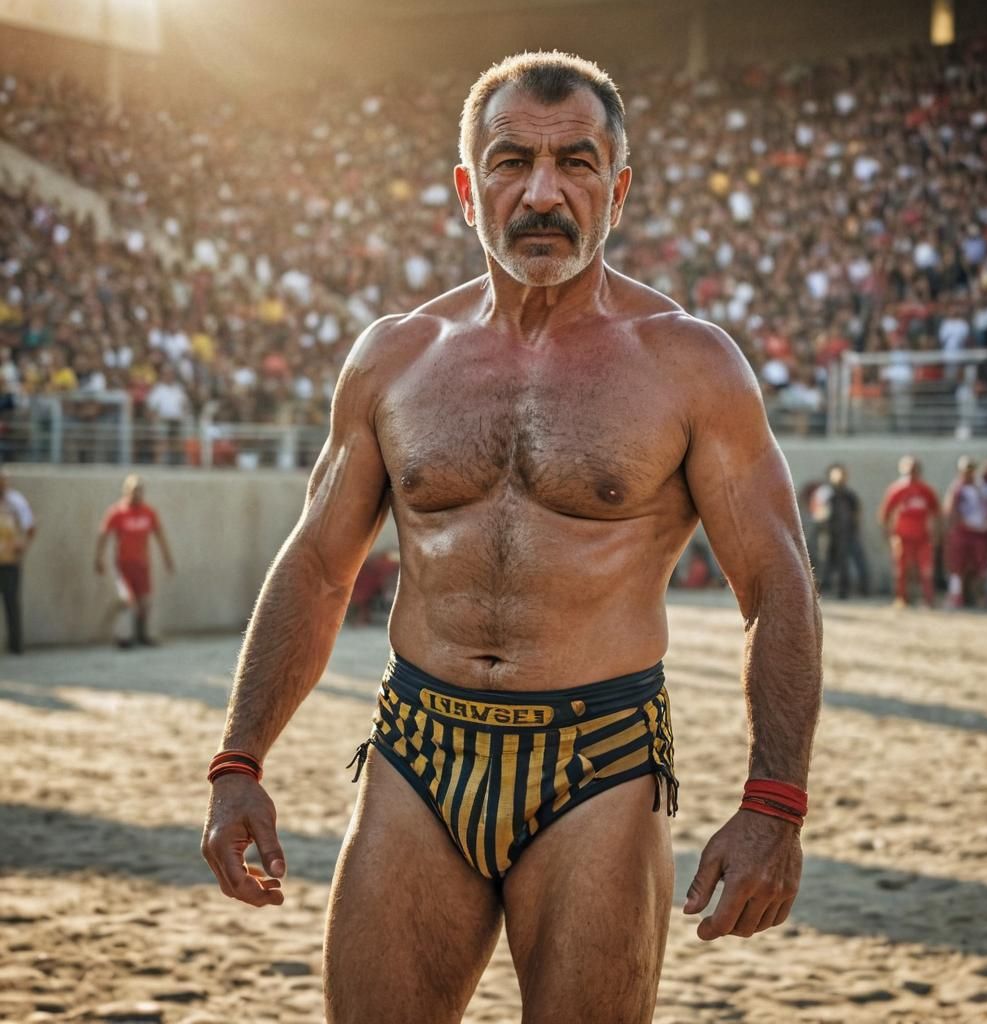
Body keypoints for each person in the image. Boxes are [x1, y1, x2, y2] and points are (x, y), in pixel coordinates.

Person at [201, 52, 823, 1024]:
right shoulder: (396, 357)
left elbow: (777, 587)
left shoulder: (689, 365)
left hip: (599, 760)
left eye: (575, 163)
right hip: (418, 748)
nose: (541, 193)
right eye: (509, 163)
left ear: (617, 191)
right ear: (467, 189)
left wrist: (775, 802)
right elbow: (318, 567)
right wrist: (239, 759)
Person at [94, 474, 174, 647]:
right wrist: (98, 558)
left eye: (140, 490)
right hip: (124, 565)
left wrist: (167, 558)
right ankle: (121, 635)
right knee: (128, 600)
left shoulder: (149, 512)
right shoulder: (117, 512)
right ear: (126, 491)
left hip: (142, 565)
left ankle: (142, 635)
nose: (137, 494)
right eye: (134, 490)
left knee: (145, 603)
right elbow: (103, 535)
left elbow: (160, 535)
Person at [878, 456, 941, 607]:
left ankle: (928, 600)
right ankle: (902, 598)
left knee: (926, 569)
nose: (911, 474)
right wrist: (888, 534)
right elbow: (885, 514)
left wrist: (938, 534)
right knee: (901, 569)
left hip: (923, 537)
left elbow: (937, 513)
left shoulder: (926, 490)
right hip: (902, 536)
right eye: (908, 471)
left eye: (914, 470)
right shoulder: (897, 489)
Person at [943, 455, 987, 609]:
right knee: (957, 566)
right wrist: (962, 524)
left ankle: (980, 597)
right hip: (962, 532)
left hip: (980, 534)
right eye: (966, 470)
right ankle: (956, 597)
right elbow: (951, 511)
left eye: (971, 469)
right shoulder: (957, 489)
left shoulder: (981, 488)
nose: (969, 473)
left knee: (981, 567)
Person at [820, 464, 870, 599]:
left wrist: (854, 529)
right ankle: (823, 589)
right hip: (830, 534)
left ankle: (852, 590)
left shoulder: (850, 496)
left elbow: (857, 513)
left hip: (848, 534)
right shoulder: (826, 494)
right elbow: (820, 513)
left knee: (849, 563)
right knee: (826, 563)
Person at [0, 467, 35, 653]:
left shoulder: (15, 501)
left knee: (11, 602)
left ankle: (15, 645)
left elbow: (30, 527)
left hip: (9, 561)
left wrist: (22, 546)